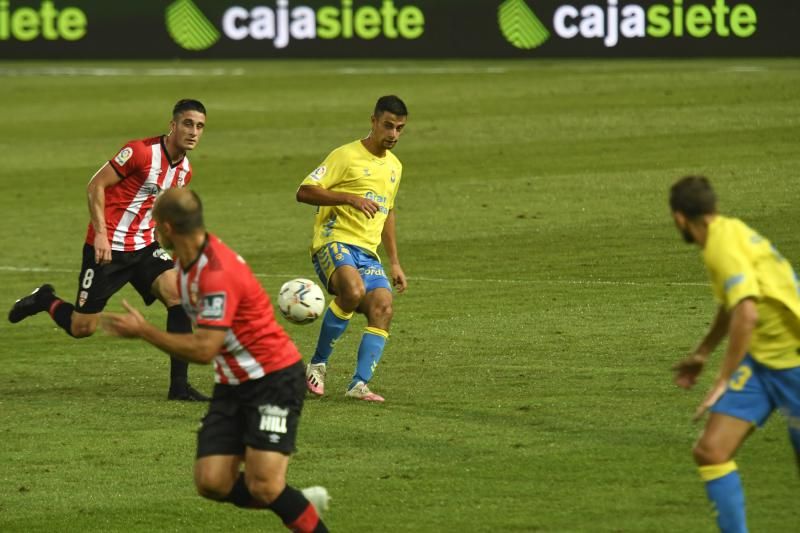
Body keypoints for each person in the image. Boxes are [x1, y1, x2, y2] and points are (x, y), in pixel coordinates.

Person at [102, 189, 330, 532]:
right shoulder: (185, 256)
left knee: (264, 485)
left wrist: (144, 331)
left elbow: (205, 349)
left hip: (273, 378)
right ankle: (292, 503)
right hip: (232, 383)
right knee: (212, 482)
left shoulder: (216, 273)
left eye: (154, 223)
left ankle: (287, 503)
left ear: (166, 227)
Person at [8, 99, 209, 401]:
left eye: (200, 126)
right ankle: (44, 299)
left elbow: (158, 209)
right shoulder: (141, 152)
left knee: (178, 297)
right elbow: (95, 186)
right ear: (173, 125)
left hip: (143, 246)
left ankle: (179, 387)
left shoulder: (185, 171)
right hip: (107, 248)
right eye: (188, 124)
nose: (193, 131)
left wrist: (174, 246)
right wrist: (100, 234)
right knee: (82, 327)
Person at [669, 176, 800, 533]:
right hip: (764, 361)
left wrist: (723, 377)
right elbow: (733, 303)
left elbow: (746, 311)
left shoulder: (721, 246)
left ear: (680, 218)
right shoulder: (727, 232)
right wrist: (703, 352)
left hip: (795, 364)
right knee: (711, 451)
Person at [296, 95, 409, 403]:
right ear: (373, 121)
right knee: (353, 291)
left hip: (367, 253)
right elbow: (304, 191)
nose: (393, 134)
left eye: (399, 128)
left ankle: (359, 384)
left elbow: (387, 212)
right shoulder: (345, 155)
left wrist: (395, 262)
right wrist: (349, 198)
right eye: (388, 126)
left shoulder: (395, 167)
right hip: (333, 242)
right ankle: (317, 365)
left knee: (383, 306)